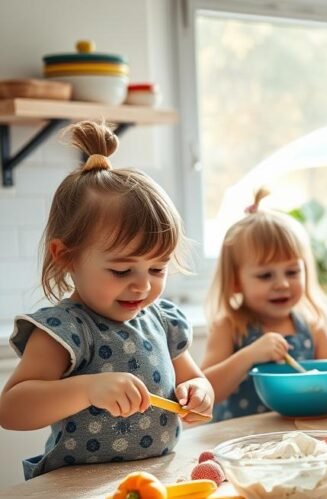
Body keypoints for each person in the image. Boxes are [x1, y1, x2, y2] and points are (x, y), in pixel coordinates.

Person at [0, 121, 213, 479]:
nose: (142, 287)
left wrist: (198, 393)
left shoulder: (162, 319)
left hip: (156, 476)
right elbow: (11, 410)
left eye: (157, 270)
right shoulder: (65, 330)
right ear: (66, 256)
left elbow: (196, 380)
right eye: (121, 271)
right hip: (72, 490)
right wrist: (87, 389)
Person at [202, 187, 327, 420]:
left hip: (300, 440)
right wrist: (248, 355)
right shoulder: (229, 327)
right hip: (239, 445)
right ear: (235, 282)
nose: (282, 284)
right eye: (265, 276)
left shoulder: (313, 326)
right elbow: (206, 392)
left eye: (292, 272)